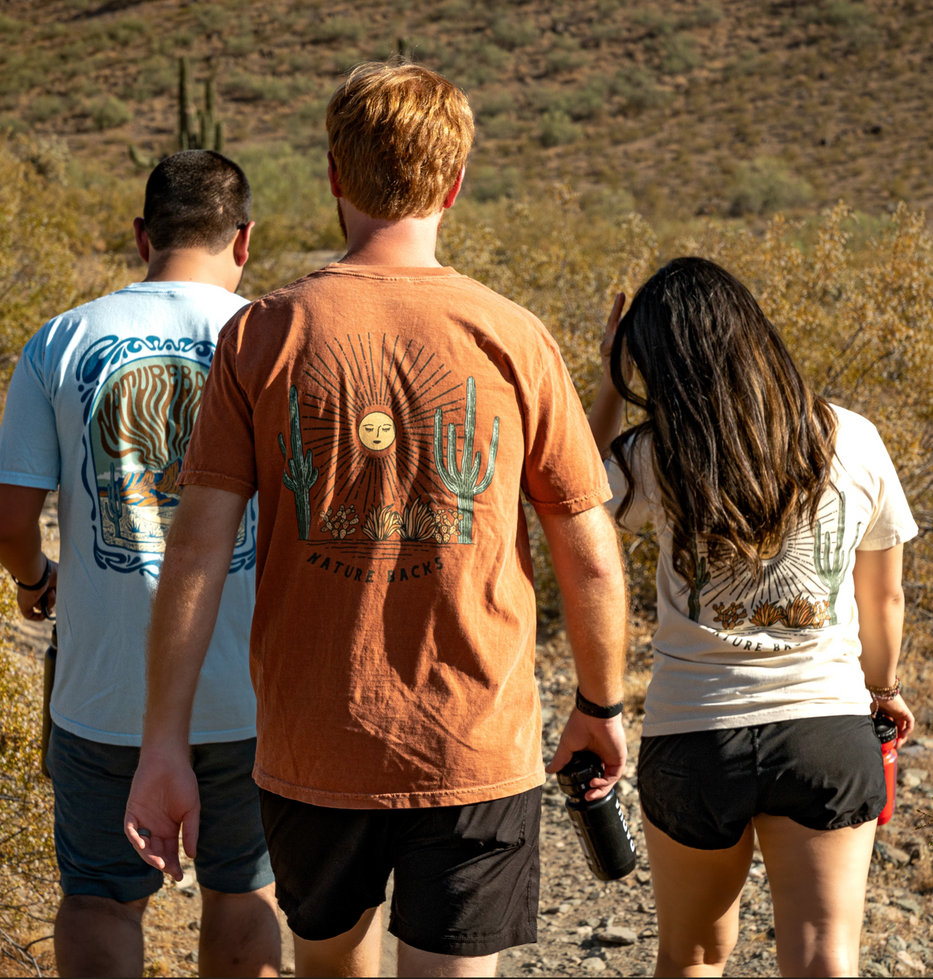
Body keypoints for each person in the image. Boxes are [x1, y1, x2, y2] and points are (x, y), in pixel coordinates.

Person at [123, 62, 629, 979]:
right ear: (455, 183)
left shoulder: (264, 333)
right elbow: (589, 553)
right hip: (474, 742)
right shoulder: (514, 336)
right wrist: (600, 703)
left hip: (313, 741)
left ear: (333, 177)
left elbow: (194, 547)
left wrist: (164, 741)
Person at [0, 149, 281, 978]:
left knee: (99, 898)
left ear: (142, 235)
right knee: (246, 891)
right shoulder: (277, 336)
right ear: (245, 238)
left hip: (105, 689)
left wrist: (36, 580)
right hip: (247, 687)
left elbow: (8, 519)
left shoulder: (65, 337)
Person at [584, 257, 919, 978]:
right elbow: (883, 598)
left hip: (693, 734)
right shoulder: (853, 438)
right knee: (825, 952)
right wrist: (883, 688)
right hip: (826, 730)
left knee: (694, 954)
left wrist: (608, 382)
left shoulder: (655, 453)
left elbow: (578, 501)